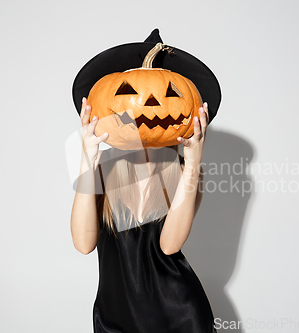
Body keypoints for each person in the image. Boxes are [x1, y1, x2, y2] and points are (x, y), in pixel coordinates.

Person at [70, 96, 217, 332]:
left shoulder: (185, 172)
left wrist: (192, 164)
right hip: (115, 320)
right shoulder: (102, 172)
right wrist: (87, 160)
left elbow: (170, 245)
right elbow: (83, 243)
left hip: (179, 318)